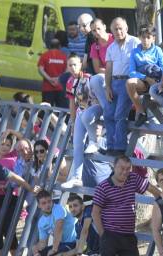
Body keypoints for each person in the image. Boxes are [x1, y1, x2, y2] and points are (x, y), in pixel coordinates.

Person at [92, 156, 161, 256]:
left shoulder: (133, 179)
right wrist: (103, 234)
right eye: (121, 168)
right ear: (114, 167)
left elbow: (152, 189)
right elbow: (95, 212)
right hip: (110, 235)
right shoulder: (103, 187)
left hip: (129, 235)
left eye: (127, 168)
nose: (124, 172)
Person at [61, 54, 102, 188]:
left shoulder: (88, 78)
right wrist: (72, 122)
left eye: (75, 64)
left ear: (81, 64)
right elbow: (72, 103)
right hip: (81, 111)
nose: (73, 68)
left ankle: (94, 140)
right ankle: (76, 176)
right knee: (77, 143)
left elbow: (98, 97)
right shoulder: (69, 82)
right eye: (70, 65)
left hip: (93, 109)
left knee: (88, 121)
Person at [101, 18, 140, 155]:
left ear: (126, 28)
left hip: (128, 82)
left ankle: (120, 147)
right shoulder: (111, 47)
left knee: (119, 115)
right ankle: (110, 146)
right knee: (107, 115)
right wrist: (107, 87)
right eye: (115, 29)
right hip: (114, 82)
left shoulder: (135, 42)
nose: (118, 31)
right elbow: (108, 69)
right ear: (111, 31)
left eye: (120, 28)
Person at [128, 26, 163, 127]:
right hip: (143, 81)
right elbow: (131, 72)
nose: (145, 40)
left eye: (148, 37)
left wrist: (160, 82)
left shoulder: (158, 50)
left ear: (153, 38)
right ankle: (141, 112)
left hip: (157, 81)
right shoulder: (134, 52)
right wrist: (146, 78)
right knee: (129, 83)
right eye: (143, 37)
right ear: (139, 38)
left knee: (158, 116)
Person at [87, 19, 114, 111]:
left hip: (122, 73)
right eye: (94, 30)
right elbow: (97, 69)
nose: (97, 32)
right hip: (107, 74)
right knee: (94, 80)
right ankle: (107, 108)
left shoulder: (115, 39)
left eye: (99, 28)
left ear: (105, 27)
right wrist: (110, 72)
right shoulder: (94, 47)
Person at [37, 39, 68, 107]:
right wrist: (58, 78)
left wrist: (50, 79)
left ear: (49, 46)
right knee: (61, 111)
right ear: (59, 46)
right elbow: (67, 70)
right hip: (61, 87)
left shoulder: (45, 55)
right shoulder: (64, 56)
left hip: (47, 88)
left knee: (45, 110)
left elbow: (40, 69)